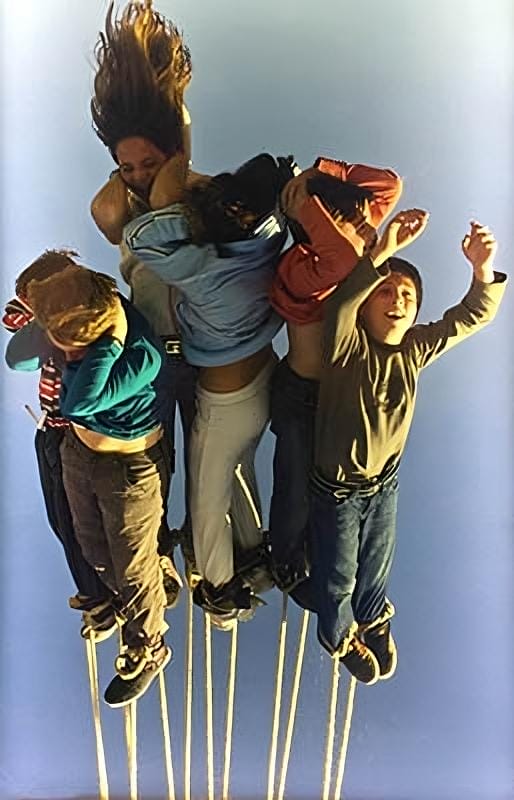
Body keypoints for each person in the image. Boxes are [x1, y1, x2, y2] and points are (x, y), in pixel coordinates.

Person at [306, 219, 506, 684]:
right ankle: (338, 637)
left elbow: (470, 317)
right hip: (336, 491)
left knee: (377, 564)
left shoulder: (414, 350)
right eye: (385, 292)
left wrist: (483, 268)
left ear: (415, 313)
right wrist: (382, 252)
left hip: (383, 485)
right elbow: (341, 305)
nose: (397, 300)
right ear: (366, 304)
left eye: (407, 296)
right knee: (339, 576)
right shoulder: (346, 346)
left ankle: (373, 618)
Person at [6, 264, 173, 706]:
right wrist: (46, 320)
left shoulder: (139, 354)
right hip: (79, 454)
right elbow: (18, 358)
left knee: (132, 570)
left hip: (129, 472)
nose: (62, 351)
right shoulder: (83, 317)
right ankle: (155, 577)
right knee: (93, 550)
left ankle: (149, 647)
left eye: (67, 344)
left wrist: (109, 343)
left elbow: (78, 403)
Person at [89, 0, 196, 591]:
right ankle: (156, 556)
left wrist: (175, 152)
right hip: (153, 355)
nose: (136, 172)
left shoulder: (196, 192)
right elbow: (108, 210)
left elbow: (174, 178)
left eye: (146, 162)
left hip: (203, 353)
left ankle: (212, 556)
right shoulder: (121, 211)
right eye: (124, 165)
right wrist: (129, 172)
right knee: (154, 465)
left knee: (208, 464)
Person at [267, 157, 403, 591]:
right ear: (318, 223)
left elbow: (389, 184)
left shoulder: (357, 248)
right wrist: (302, 204)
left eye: (364, 221)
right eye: (353, 222)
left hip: (340, 398)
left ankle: (328, 565)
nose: (367, 228)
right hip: (302, 396)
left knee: (331, 492)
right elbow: (341, 258)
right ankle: (284, 561)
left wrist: (319, 172)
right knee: (295, 486)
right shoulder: (302, 264)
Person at [3, 251, 116, 639]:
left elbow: (19, 354)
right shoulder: (48, 320)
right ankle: (96, 591)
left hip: (73, 430)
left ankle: (100, 595)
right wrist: (37, 304)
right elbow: (11, 319)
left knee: (75, 518)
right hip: (52, 428)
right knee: (60, 518)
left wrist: (51, 304)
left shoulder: (87, 315)